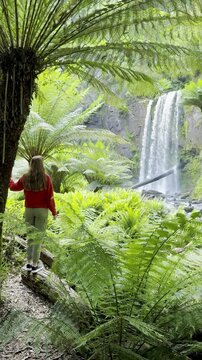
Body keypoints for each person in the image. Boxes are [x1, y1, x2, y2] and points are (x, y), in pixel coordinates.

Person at [9, 155, 57, 273]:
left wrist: (9, 178)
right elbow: (50, 197)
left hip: (29, 210)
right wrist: (54, 212)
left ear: (31, 164)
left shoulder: (25, 177)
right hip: (42, 211)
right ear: (42, 165)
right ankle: (35, 265)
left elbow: (14, 187)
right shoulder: (46, 178)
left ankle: (29, 263)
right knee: (38, 239)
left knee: (30, 238)